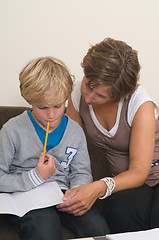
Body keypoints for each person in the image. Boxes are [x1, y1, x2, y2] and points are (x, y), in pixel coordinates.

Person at [57, 38, 159, 234]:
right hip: (130, 185)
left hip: (146, 176)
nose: (88, 97)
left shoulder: (140, 104)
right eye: (88, 84)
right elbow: (70, 147)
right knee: (119, 208)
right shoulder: (78, 96)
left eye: (100, 96)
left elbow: (139, 172)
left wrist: (98, 187)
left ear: (121, 95)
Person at [0, 56, 109, 240]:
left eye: (58, 106)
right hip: (26, 197)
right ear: (29, 101)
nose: (52, 115)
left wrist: (76, 192)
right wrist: (36, 176)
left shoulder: (75, 131)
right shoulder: (12, 130)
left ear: (66, 98)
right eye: (43, 107)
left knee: (97, 226)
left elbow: (81, 172)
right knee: (44, 226)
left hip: (63, 195)